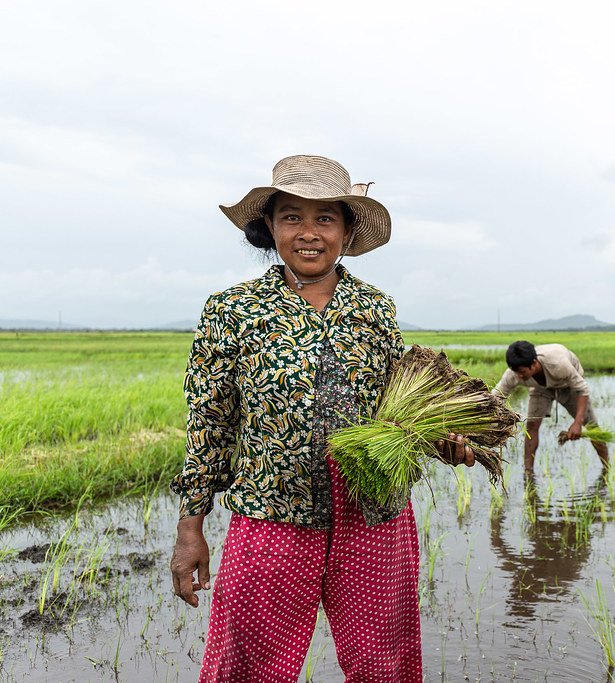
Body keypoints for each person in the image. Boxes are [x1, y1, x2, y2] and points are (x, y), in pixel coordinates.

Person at [169, 155, 474, 683]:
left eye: (325, 219)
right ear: (270, 227)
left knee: (383, 667)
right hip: (272, 513)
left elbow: (398, 409)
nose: (308, 233)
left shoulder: (375, 309)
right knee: (246, 668)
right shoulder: (232, 310)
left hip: (373, 515)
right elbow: (210, 424)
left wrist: (438, 437)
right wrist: (189, 530)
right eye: (292, 217)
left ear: (347, 231)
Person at [491, 340, 609, 473]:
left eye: (522, 372)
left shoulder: (559, 364)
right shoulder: (513, 373)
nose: (519, 376)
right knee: (531, 426)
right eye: (515, 371)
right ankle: (528, 472)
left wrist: (578, 422)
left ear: (534, 363)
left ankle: (607, 468)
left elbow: (582, 389)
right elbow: (495, 397)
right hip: (540, 388)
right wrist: (495, 426)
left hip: (568, 385)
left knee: (592, 426)